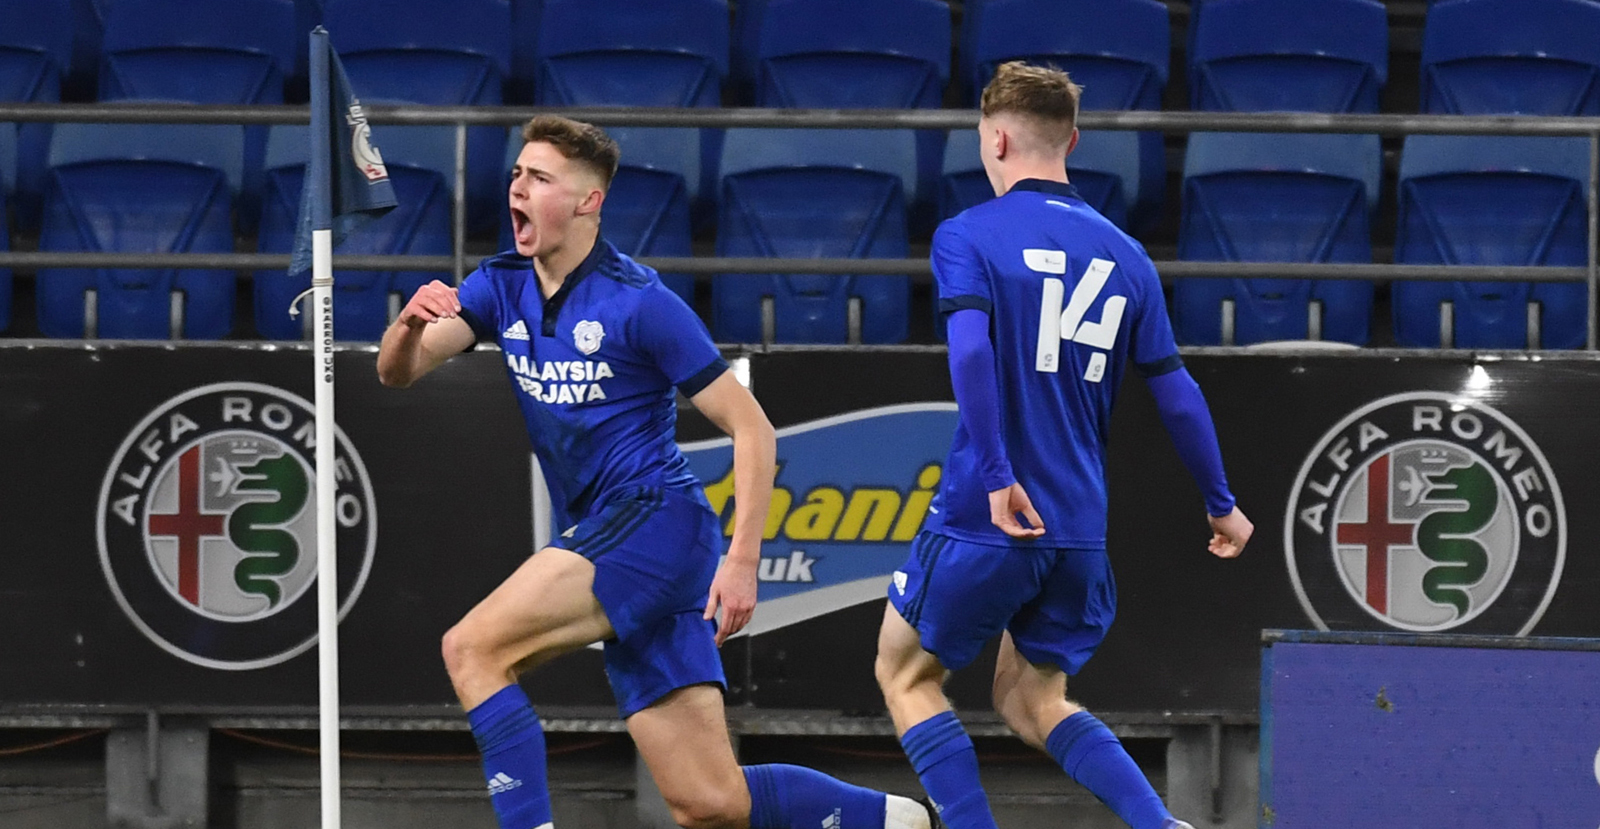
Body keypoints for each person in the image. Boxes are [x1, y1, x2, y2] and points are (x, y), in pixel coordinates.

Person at [378, 116, 938, 829]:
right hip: (620, 540)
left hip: (654, 525)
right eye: (517, 174)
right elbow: (398, 373)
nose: (518, 187)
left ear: (587, 202)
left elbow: (754, 430)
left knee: (473, 647)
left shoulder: (640, 302)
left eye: (540, 178)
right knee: (709, 802)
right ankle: (897, 821)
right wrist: (408, 325)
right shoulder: (497, 288)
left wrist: (742, 563)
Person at [873, 62, 1256, 829]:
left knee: (905, 672)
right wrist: (1222, 503)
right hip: (1079, 525)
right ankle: (1161, 826)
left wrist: (993, 474)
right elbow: (1176, 393)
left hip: (994, 511)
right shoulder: (1127, 255)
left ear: (997, 137)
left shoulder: (968, 234)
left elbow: (972, 355)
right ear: (1072, 139)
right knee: (1032, 698)